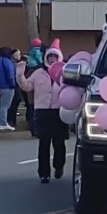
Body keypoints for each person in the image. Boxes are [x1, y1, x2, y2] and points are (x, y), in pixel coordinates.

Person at [17, 40, 68, 184]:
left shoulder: (64, 72)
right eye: (50, 56)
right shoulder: (38, 73)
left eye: (55, 57)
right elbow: (27, 87)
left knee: (59, 144)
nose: (52, 59)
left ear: (59, 58)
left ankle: (59, 166)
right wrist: (20, 75)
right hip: (42, 112)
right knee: (43, 144)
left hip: (59, 112)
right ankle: (44, 174)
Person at [0, 47, 16, 131]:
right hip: (7, 87)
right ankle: (2, 123)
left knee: (0, 106)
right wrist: (13, 84)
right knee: (5, 106)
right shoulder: (7, 62)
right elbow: (10, 74)